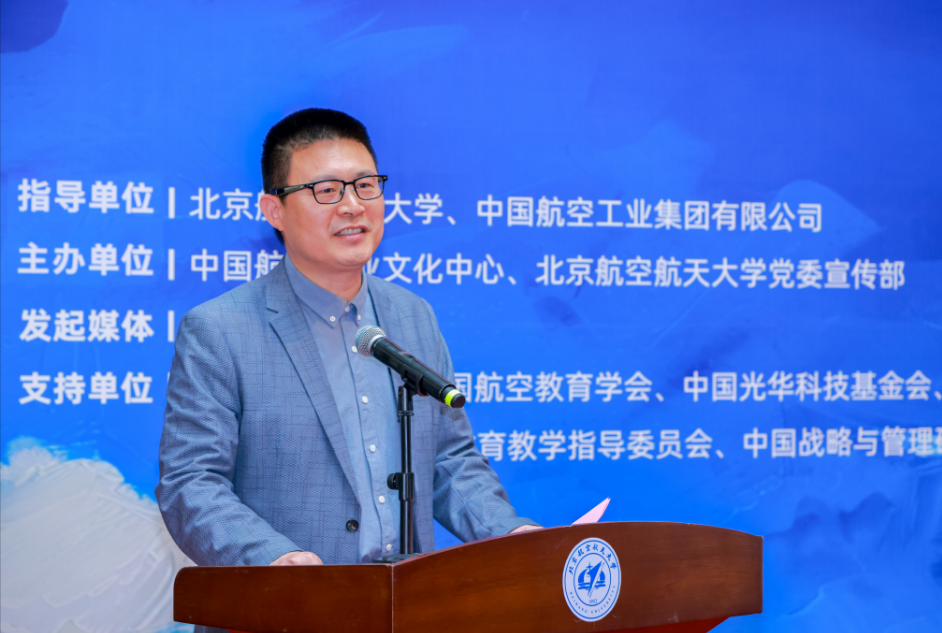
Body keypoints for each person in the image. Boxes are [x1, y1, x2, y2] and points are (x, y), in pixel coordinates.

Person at [156, 108, 537, 584]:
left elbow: (448, 459)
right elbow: (190, 481)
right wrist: (274, 558)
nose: (353, 205)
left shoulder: (412, 315)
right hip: (293, 605)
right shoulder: (220, 330)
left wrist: (510, 533)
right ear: (275, 210)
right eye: (326, 190)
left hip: (408, 605)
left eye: (365, 185)